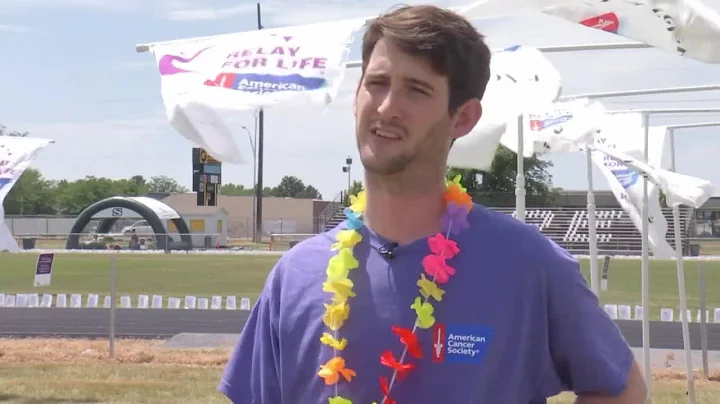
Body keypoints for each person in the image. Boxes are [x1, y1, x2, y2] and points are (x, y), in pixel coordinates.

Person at [220, 5, 647, 403]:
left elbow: (622, 388)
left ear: (463, 118)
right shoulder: (295, 274)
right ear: (356, 97)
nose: (387, 107)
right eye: (377, 83)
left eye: (416, 90)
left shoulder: (527, 264)